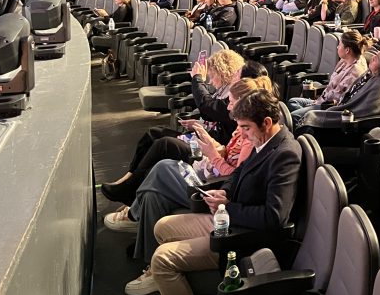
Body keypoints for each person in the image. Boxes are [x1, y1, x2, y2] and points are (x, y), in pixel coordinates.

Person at [138, 92, 302, 295]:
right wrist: (224, 192)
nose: (242, 135)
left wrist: (228, 207)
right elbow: (238, 174)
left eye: (245, 128)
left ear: (267, 122)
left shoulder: (285, 154)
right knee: (162, 227)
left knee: (161, 260)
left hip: (243, 239)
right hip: (229, 221)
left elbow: (274, 217)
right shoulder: (264, 140)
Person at [104, 77, 271, 261]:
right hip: (212, 175)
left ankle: (133, 213)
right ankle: (146, 254)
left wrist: (212, 156)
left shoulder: (251, 138)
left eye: (230, 102)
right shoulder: (243, 130)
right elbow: (228, 155)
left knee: (163, 166)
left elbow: (235, 176)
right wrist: (207, 139)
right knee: (153, 195)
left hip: (214, 185)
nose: (228, 107)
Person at [296, 46, 380, 129]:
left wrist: (339, 111)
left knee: (306, 119)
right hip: (340, 108)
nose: (373, 57)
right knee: (303, 115)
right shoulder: (370, 75)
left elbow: (366, 111)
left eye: (378, 58)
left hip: (351, 125)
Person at [287, 29, 368, 124]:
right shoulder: (344, 61)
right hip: (322, 100)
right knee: (293, 102)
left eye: (340, 45)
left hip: (329, 108)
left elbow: (337, 98)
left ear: (347, 50)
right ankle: (305, 123)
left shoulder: (355, 72)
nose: (337, 47)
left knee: (294, 116)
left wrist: (317, 103)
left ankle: (305, 126)